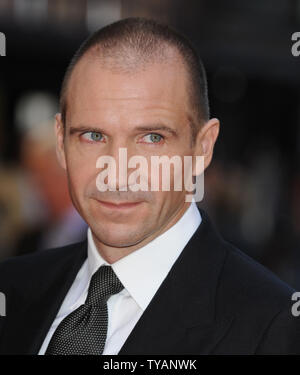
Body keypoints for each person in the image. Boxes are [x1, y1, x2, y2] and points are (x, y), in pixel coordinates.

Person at [0, 17, 299, 355]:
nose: (117, 172)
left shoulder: (272, 328)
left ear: (202, 147)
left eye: (152, 138)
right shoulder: (12, 289)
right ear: (61, 142)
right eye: (94, 136)